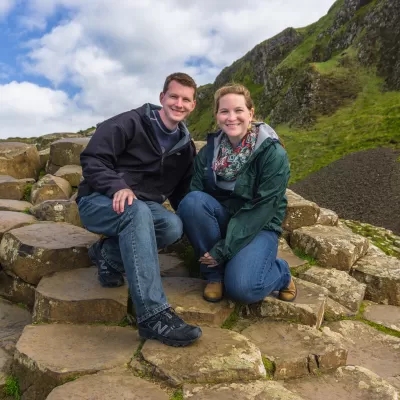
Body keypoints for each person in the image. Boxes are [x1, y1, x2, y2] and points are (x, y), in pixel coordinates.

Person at [76, 72, 202, 347]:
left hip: (139, 209)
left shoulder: (185, 148)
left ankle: (107, 255)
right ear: (162, 98)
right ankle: (152, 315)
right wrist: (116, 185)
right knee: (138, 211)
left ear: (192, 106)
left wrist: (204, 230)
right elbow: (93, 158)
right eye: (173, 96)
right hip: (99, 200)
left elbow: (184, 193)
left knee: (172, 226)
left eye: (185, 99)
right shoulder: (129, 122)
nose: (178, 103)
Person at [178, 84, 295, 304]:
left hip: (259, 226)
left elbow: (263, 209)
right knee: (192, 202)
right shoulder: (209, 152)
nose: (231, 117)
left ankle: (281, 273)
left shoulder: (272, 153)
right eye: (224, 111)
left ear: (250, 113)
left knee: (244, 289)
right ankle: (214, 275)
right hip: (225, 219)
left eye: (238, 110)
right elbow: (195, 191)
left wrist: (222, 249)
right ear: (217, 116)